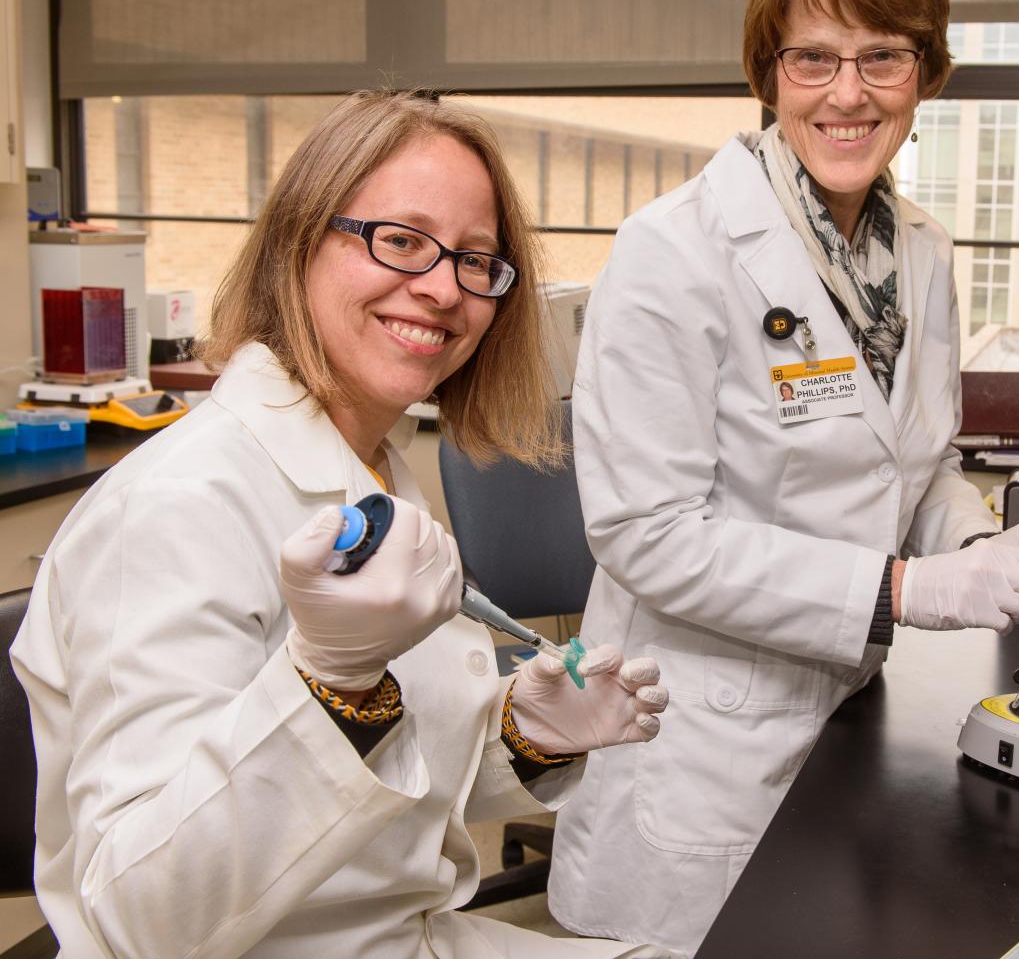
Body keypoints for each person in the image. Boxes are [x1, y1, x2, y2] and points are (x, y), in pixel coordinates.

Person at [11, 91, 676, 959]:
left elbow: (383, 790)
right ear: (298, 241)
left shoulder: (372, 464)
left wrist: (524, 733)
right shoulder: (178, 506)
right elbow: (138, 919)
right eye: (400, 240)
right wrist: (331, 681)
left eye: (478, 261)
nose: (443, 288)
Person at [547, 0, 1019, 955]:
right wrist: (903, 591)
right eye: (814, 58)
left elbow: (914, 469)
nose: (848, 93)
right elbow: (647, 535)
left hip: (851, 720)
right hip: (700, 741)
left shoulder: (918, 253)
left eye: (883, 55)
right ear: (768, 69)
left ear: (925, 73)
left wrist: (979, 542)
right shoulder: (674, 252)